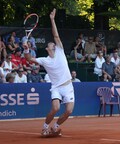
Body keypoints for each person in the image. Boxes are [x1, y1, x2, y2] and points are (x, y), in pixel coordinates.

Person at [23, 9, 75, 137]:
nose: (53, 43)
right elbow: (29, 59)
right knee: (56, 108)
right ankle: (45, 127)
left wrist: (52, 19)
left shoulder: (60, 50)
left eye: (53, 43)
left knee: (68, 111)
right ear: (48, 49)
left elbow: (56, 35)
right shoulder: (44, 60)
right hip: (56, 87)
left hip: (68, 86)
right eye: (51, 44)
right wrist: (26, 50)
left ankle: (56, 127)